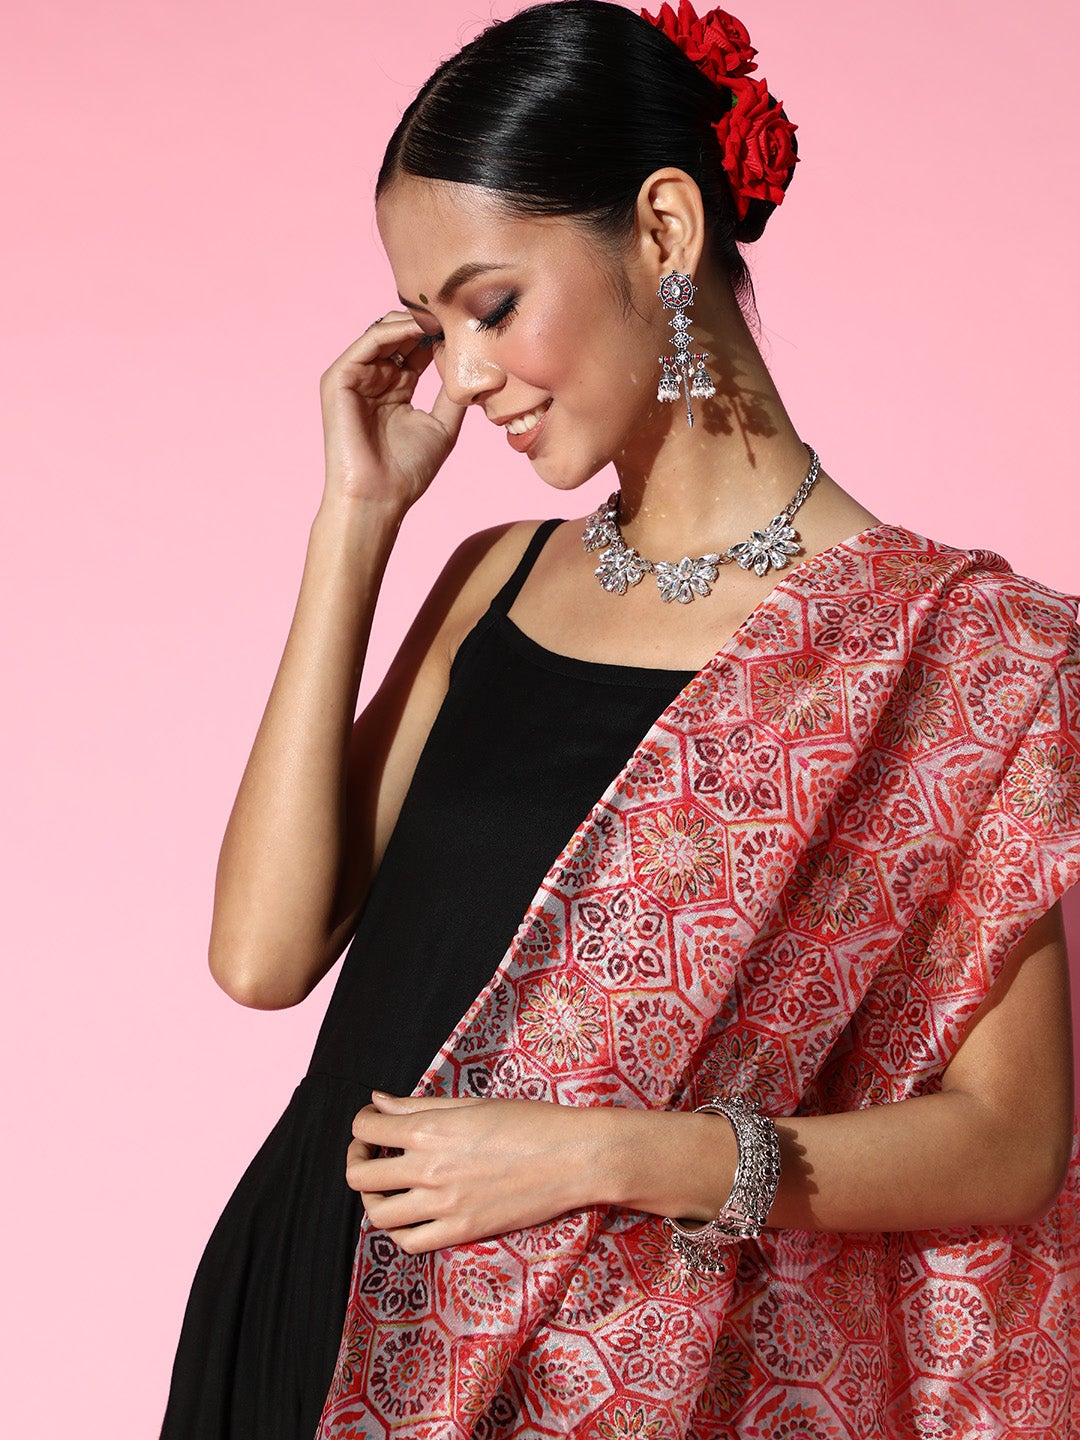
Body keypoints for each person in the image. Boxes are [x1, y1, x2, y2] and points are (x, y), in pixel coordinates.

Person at [159, 2, 1080, 1437]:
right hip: (305, 1303)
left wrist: (607, 1156)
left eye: (489, 305)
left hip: (602, 1375)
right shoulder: (496, 579)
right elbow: (262, 957)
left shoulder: (954, 654)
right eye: (431, 325)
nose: (463, 375)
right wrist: (357, 518)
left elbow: (1009, 1144)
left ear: (662, 230)